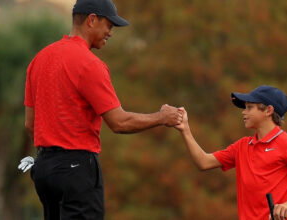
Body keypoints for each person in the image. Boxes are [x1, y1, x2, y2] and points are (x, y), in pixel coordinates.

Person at [22, 0, 183, 219]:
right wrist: (162, 117)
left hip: (43, 169)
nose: (111, 33)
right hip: (76, 169)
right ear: (92, 20)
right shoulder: (89, 64)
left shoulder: (39, 60)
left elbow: (30, 124)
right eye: (109, 25)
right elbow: (119, 122)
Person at [175, 85, 287, 220]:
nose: (244, 112)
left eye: (250, 107)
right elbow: (204, 162)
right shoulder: (242, 146)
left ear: (268, 111)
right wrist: (185, 129)